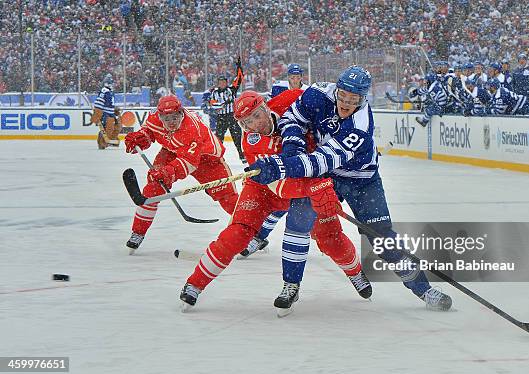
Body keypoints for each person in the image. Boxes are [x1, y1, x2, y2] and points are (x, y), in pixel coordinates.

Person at [246, 66, 453, 311]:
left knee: (382, 238)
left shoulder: (360, 124)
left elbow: (320, 160)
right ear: (336, 89)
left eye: (353, 100)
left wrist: (281, 165)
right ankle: (290, 285)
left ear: (363, 98)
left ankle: (423, 289)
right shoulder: (317, 94)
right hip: (328, 177)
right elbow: (293, 118)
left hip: (362, 180)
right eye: (342, 96)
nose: (345, 104)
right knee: (298, 218)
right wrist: (292, 150)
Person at [179, 89, 372, 314]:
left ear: (265, 108)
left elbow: (317, 95)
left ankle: (355, 272)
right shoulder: (252, 143)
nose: (254, 125)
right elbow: (281, 186)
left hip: (308, 178)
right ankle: (194, 284)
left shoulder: (288, 102)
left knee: (331, 239)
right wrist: (315, 188)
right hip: (267, 189)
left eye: (256, 116)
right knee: (236, 234)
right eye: (246, 123)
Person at [123, 95, 238, 254]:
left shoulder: (191, 128)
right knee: (153, 188)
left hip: (208, 160)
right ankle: (138, 232)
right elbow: (149, 132)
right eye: (166, 118)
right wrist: (140, 139)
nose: (171, 122)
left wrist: (168, 172)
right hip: (172, 152)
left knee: (228, 198)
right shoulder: (153, 118)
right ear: (159, 116)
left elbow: (189, 162)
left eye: (175, 117)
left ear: (182, 113)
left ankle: (254, 233)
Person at [207, 57, 246, 162]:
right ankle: (218, 156)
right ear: (218, 83)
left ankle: (241, 154)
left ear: (226, 82)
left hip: (232, 116)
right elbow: (213, 105)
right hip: (221, 118)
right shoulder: (214, 92)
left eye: (224, 82)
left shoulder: (231, 90)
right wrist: (223, 103)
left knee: (237, 137)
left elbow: (239, 78)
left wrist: (239, 67)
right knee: (219, 139)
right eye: (220, 82)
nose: (222, 84)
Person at [92, 74, 120, 149]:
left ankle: (111, 140)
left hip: (109, 112)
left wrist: (113, 109)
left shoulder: (108, 91)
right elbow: (105, 103)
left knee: (115, 126)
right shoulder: (106, 91)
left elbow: (109, 103)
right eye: (111, 84)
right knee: (105, 128)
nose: (112, 85)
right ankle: (102, 142)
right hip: (106, 113)